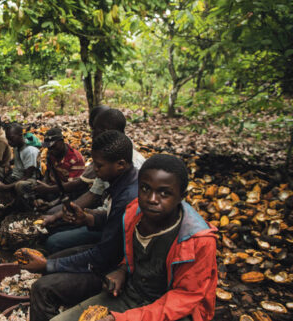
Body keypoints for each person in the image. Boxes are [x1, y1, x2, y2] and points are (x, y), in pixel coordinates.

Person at [51, 154, 218, 321]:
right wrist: (122, 270)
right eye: (145, 188)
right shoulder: (133, 212)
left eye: (164, 193)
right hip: (131, 296)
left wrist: (121, 319)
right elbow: (133, 252)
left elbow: (185, 297)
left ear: (182, 195)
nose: (152, 199)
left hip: (174, 311)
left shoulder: (198, 240)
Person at [24, 130, 139, 321]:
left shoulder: (128, 197)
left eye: (99, 165)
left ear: (120, 165)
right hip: (111, 255)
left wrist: (49, 265)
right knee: (54, 254)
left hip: (116, 270)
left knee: (42, 287)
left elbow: (102, 256)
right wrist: (89, 219)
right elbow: (114, 222)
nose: (94, 169)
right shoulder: (122, 182)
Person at [40, 108, 146, 253]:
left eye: (93, 129)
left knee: (54, 242)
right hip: (102, 217)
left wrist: (89, 217)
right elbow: (93, 194)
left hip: (115, 232)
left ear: (105, 130)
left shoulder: (130, 166)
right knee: (54, 226)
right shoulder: (106, 156)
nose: (91, 134)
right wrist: (57, 216)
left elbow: (118, 223)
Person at [0, 123, 41, 207]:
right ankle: (5, 197)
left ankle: (25, 206)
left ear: (20, 135)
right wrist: (8, 164)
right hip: (15, 175)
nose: (9, 142)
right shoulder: (17, 146)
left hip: (30, 180)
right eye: (8, 139)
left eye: (11, 139)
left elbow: (27, 176)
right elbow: (18, 158)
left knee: (20, 185)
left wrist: (5, 186)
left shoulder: (30, 151)